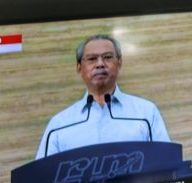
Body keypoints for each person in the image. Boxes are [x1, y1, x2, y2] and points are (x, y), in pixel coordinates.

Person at [36, 35, 170, 158]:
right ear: (79, 68)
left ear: (119, 63)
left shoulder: (146, 112)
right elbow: (43, 172)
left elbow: (165, 161)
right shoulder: (59, 124)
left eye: (107, 57)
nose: (100, 64)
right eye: (92, 59)